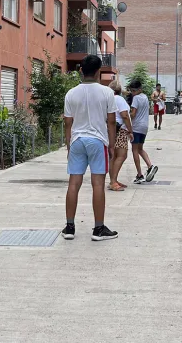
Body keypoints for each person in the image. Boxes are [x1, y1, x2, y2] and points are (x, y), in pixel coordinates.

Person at [62, 55, 118, 241]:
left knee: (73, 184)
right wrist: (111, 145)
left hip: (77, 140)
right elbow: (111, 121)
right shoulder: (107, 93)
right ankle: (98, 229)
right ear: (98, 71)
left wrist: (69, 144)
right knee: (98, 184)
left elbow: (67, 123)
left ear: (80, 71)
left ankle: (69, 227)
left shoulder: (71, 93)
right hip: (97, 140)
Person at [129, 80, 159, 184]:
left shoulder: (136, 98)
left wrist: (126, 116)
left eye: (134, 91)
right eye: (131, 91)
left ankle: (139, 174)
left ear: (139, 89)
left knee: (134, 150)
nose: (132, 93)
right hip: (144, 127)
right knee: (140, 149)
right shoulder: (145, 97)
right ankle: (150, 166)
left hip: (136, 126)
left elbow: (133, 114)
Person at [108, 79, 134, 192]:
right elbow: (125, 116)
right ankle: (113, 181)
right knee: (122, 155)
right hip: (120, 130)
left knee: (113, 156)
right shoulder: (119, 99)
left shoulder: (108, 99)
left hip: (110, 130)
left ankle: (113, 180)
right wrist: (130, 130)